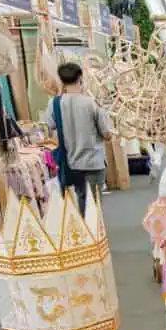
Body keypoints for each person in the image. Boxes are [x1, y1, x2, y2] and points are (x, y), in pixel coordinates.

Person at [44, 62, 114, 215]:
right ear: (81, 78)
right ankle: (94, 233)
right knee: (94, 203)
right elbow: (106, 133)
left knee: (81, 197)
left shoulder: (54, 103)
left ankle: (84, 231)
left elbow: (50, 125)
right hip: (93, 162)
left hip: (71, 162)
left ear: (61, 81)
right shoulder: (91, 103)